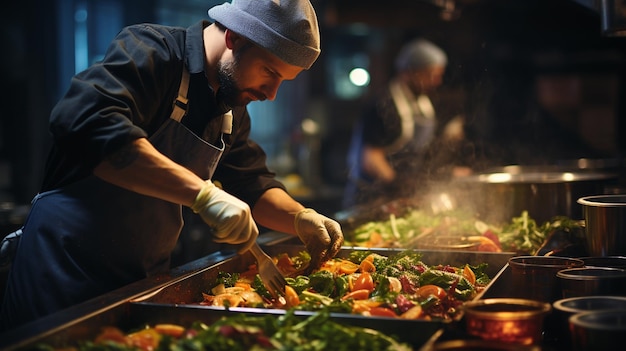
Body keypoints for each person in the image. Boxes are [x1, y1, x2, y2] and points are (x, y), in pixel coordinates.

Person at [0, 0, 343, 330]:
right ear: (234, 37)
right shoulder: (152, 51)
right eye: (270, 71)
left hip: (139, 282)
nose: (271, 93)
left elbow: (252, 184)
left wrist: (299, 218)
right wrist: (203, 196)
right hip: (58, 275)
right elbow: (88, 124)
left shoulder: (229, 106)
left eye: (284, 80)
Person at [343, 38, 465, 209]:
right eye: (431, 75)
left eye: (439, 75)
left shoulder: (424, 103)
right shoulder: (383, 104)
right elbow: (371, 159)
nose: (437, 81)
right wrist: (398, 184)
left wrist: (444, 174)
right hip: (371, 198)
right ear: (409, 73)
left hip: (401, 197)